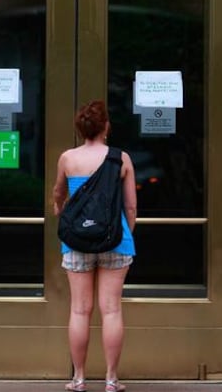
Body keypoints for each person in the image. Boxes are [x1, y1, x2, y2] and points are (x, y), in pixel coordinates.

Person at [52, 100, 137, 392]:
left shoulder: (67, 158)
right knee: (111, 310)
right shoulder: (121, 159)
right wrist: (124, 233)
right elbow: (130, 207)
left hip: (76, 241)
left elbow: (58, 195)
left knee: (79, 310)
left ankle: (78, 379)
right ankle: (112, 380)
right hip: (116, 239)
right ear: (106, 127)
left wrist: (60, 210)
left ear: (81, 128)